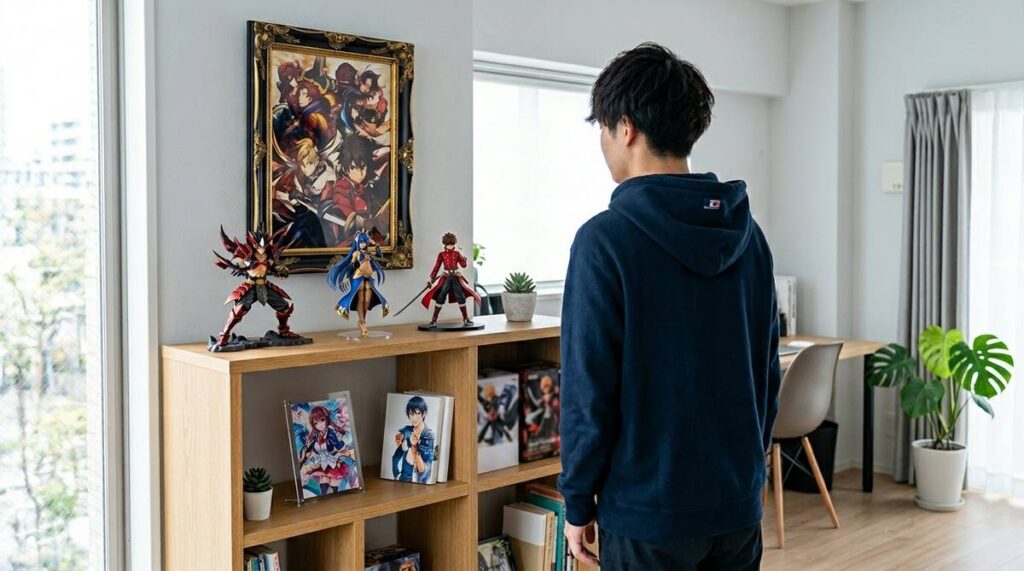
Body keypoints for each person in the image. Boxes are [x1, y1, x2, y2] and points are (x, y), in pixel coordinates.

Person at [557, 43, 781, 570]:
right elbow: (766, 374)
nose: (603, 143)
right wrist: (748, 474)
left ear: (626, 128)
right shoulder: (749, 236)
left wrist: (577, 500)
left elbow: (589, 389)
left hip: (647, 516)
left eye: (603, 128)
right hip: (736, 506)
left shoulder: (604, 241)